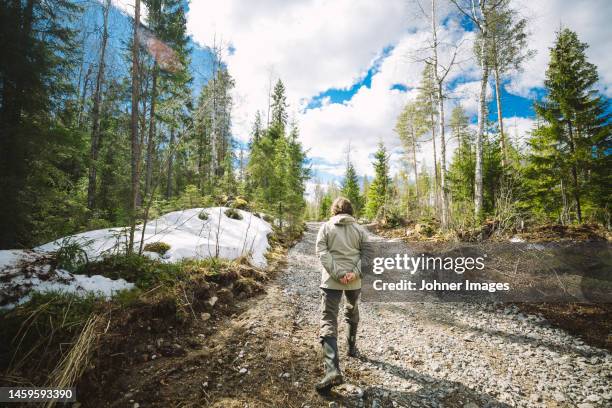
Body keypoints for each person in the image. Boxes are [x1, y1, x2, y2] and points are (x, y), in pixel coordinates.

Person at [314, 197, 368, 394]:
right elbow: (368, 254)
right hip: (354, 281)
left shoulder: (326, 227)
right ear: (351, 210)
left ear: (334, 210)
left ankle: (332, 370)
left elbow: (321, 251)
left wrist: (337, 273)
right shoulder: (360, 230)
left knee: (328, 318)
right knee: (351, 310)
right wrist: (354, 273)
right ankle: (351, 348)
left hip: (331, 280)